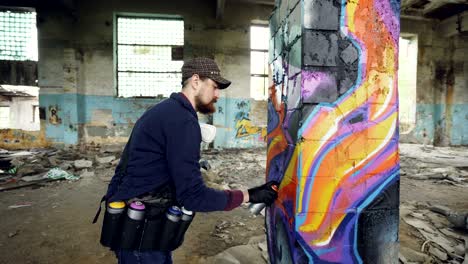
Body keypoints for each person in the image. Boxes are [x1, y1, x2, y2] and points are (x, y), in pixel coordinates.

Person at [103, 57, 279, 264]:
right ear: (196, 81)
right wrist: (248, 195)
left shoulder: (163, 111)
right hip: (144, 237)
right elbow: (193, 197)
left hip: (131, 229)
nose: (217, 95)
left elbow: (124, 169)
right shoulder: (182, 121)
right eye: (214, 87)